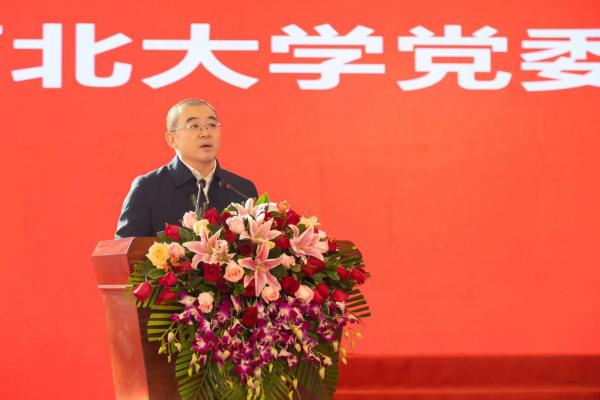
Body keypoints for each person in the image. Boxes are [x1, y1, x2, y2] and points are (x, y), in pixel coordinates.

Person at [115, 98, 258, 238]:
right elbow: (123, 249)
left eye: (212, 125)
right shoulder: (148, 188)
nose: (205, 133)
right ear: (171, 139)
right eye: (194, 126)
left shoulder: (242, 189)